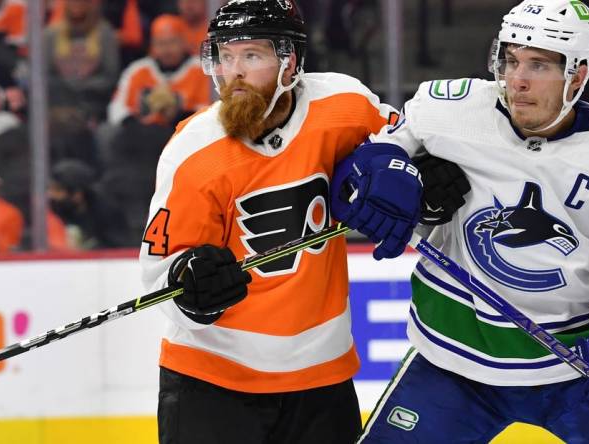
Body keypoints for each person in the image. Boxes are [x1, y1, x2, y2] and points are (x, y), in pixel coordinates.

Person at [338, 1, 589, 442]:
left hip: (575, 367)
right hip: (450, 361)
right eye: (510, 59)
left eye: (538, 65)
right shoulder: (449, 109)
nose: (516, 79)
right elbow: (365, 167)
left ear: (578, 75)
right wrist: (386, 181)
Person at [138, 1, 421, 443]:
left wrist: (417, 177)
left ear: (291, 63)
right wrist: (190, 286)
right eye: (225, 56)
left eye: (252, 56)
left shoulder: (343, 105)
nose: (234, 72)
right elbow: (159, 275)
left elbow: (406, 142)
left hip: (321, 382)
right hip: (212, 384)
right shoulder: (193, 152)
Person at [107, 14, 210, 126]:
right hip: (142, 134)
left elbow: (212, 109)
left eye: (172, 42)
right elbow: (117, 107)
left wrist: (178, 116)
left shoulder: (202, 69)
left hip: (188, 133)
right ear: (152, 45)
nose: (167, 49)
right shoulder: (137, 70)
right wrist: (137, 123)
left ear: (183, 42)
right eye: (161, 43)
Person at [48, 159, 129, 249]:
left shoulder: (106, 212)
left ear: (77, 194)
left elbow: (118, 247)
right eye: (50, 189)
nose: (51, 195)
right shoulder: (53, 210)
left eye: (58, 190)